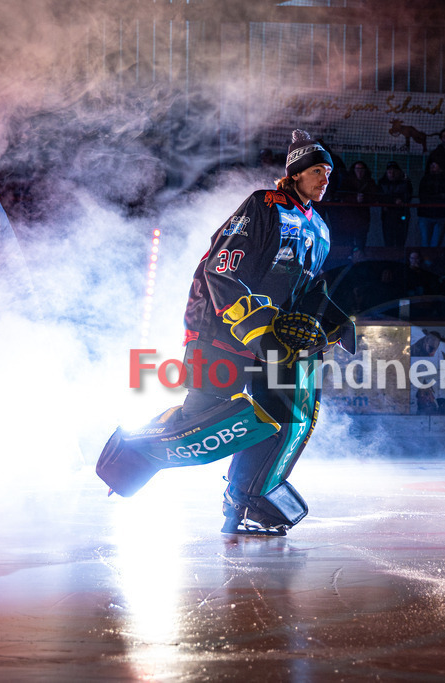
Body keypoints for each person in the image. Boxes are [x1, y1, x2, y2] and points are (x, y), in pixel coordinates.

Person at [96, 130, 355, 536]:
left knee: (286, 419)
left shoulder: (319, 228)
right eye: (319, 171)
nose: (326, 179)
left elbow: (308, 290)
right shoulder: (264, 205)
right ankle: (128, 454)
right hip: (219, 331)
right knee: (207, 420)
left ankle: (250, 497)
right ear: (297, 173)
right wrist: (258, 326)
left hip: (271, 342)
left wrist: (335, 321)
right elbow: (222, 270)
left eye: (329, 172)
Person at [334, 160, 380, 248]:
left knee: (361, 240)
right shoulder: (347, 182)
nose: (360, 172)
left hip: (363, 218)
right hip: (348, 217)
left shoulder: (370, 182)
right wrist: (354, 199)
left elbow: (374, 196)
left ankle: (360, 257)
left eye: (362, 169)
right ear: (353, 170)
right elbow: (341, 195)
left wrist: (364, 199)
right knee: (348, 241)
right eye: (357, 169)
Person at [378, 161, 413, 247]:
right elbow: (380, 197)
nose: (392, 174)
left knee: (400, 241)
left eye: (394, 172)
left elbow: (408, 195)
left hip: (402, 215)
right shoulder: (382, 183)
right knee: (388, 241)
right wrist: (394, 201)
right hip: (387, 216)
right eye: (390, 172)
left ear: (399, 172)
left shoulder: (405, 182)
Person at [417, 160, 445, 247]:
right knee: (427, 243)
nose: (432, 167)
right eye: (431, 165)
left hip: (437, 215)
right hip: (428, 215)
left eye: (434, 165)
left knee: (432, 244)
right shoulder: (426, 179)